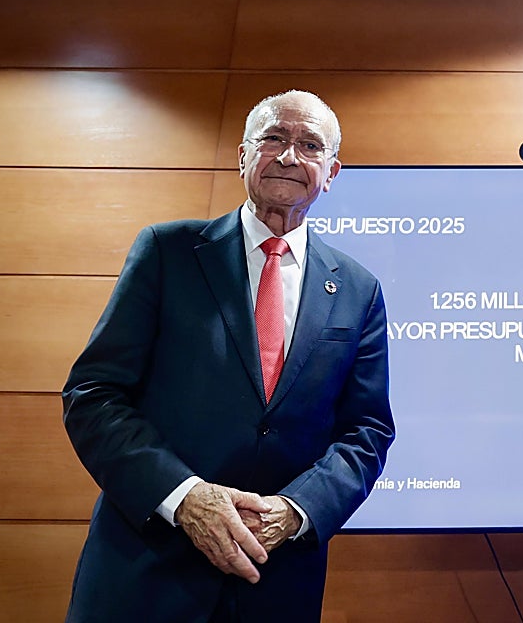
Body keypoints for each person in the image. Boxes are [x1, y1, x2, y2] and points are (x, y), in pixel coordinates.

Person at [62, 90, 394, 623]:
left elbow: (367, 430)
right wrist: (186, 497)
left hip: (275, 579)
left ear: (331, 172)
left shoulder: (358, 288)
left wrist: (296, 510)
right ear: (243, 155)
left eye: (310, 145)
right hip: (146, 572)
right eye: (274, 139)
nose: (289, 156)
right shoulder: (167, 253)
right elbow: (94, 394)